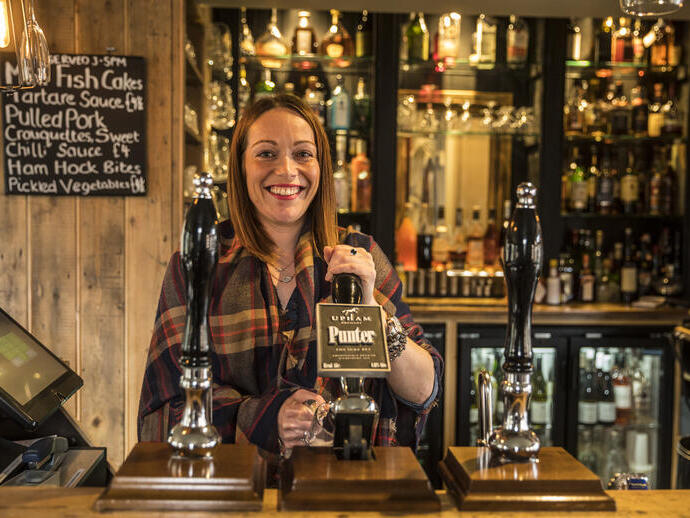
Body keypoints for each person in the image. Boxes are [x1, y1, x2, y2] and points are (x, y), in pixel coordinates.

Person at [138, 94, 442, 456]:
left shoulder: (360, 254)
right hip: (233, 498)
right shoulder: (200, 263)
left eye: (302, 153)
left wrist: (372, 314)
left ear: (320, 166)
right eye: (266, 153)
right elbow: (162, 413)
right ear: (241, 167)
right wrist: (264, 418)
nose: (286, 170)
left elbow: (424, 390)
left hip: (343, 494)